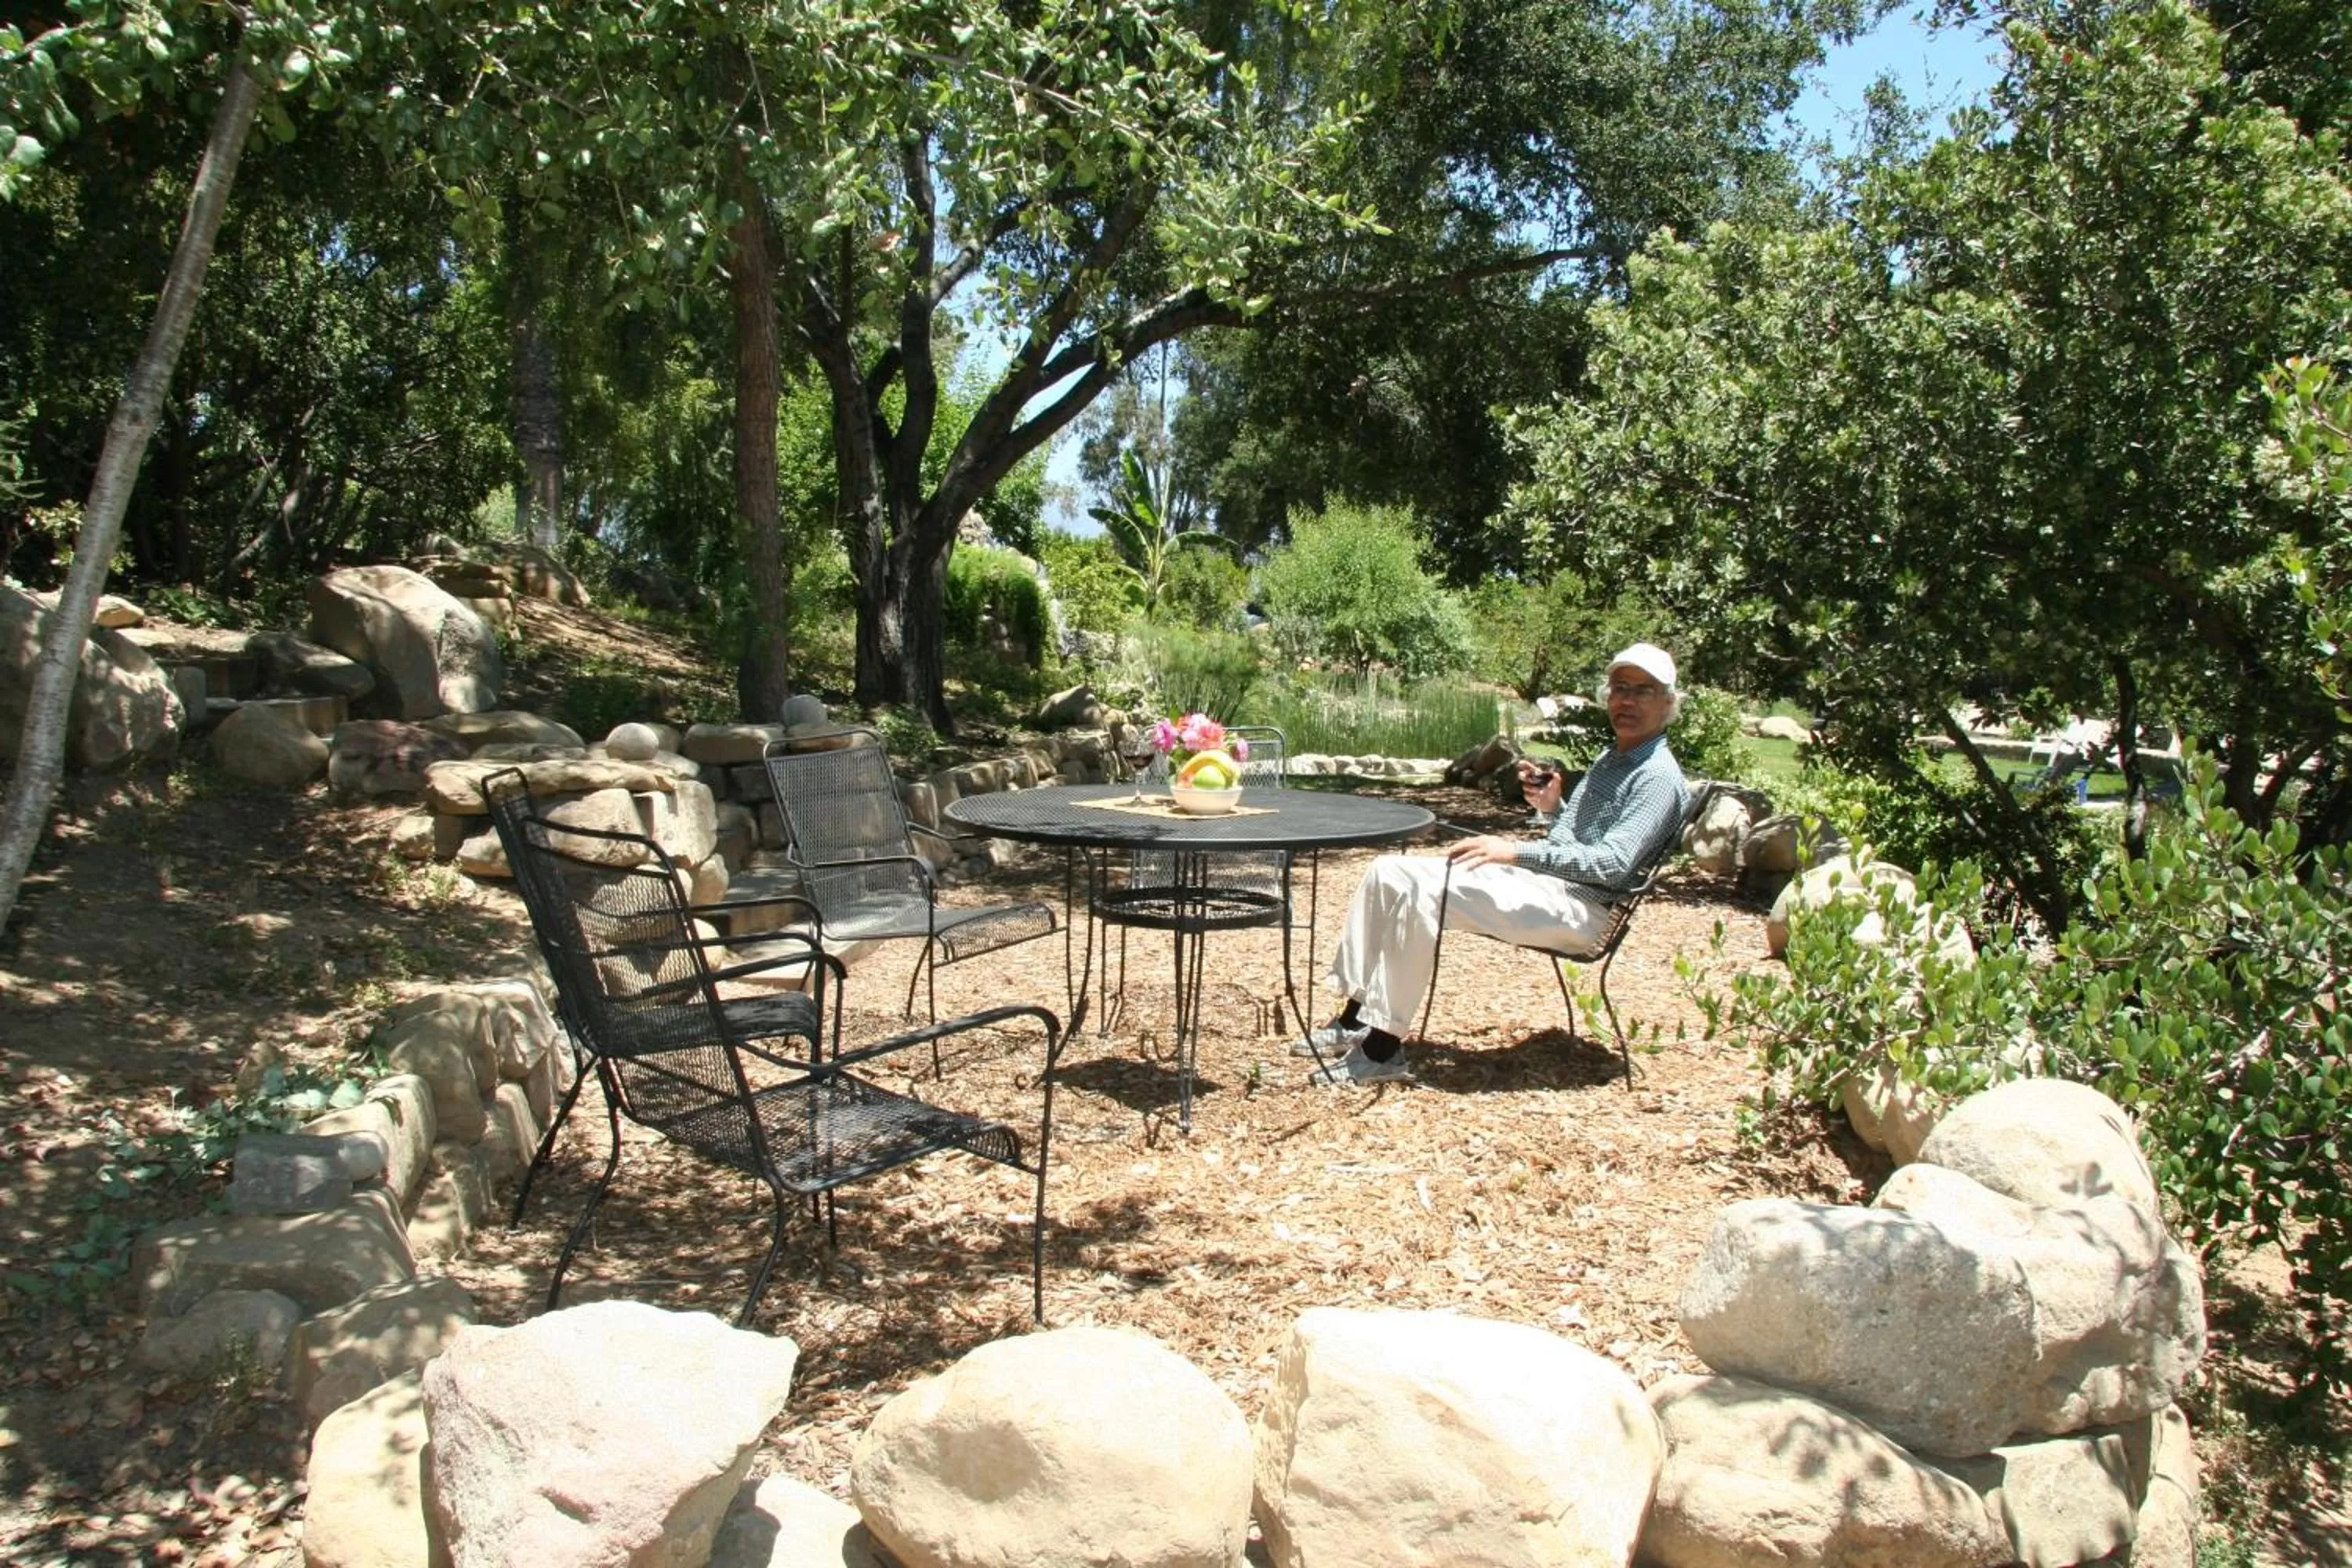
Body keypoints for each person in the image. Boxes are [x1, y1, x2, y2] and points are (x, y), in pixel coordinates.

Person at [1303, 641, 1693, 1087]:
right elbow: (1580, 841)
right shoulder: (1615, 758)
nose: (1627, 700)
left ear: (1668, 703)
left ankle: (1382, 1050)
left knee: (1425, 891)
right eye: (1620, 687)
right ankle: (1356, 1016)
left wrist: (1516, 851)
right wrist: (1552, 807)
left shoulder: (1657, 776)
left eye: (1643, 691)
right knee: (1388, 870)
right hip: (1549, 888)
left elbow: (1612, 865)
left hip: (1581, 912)